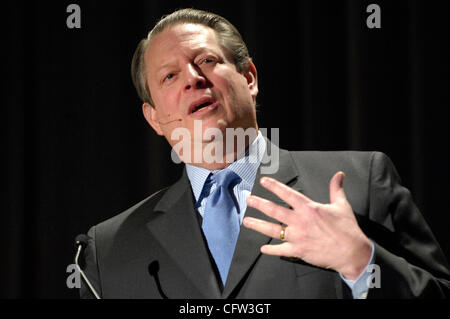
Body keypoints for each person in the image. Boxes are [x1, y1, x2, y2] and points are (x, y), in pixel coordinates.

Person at [80, 8, 450, 299]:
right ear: (154, 118)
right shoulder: (110, 247)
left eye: (207, 60)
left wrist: (361, 261)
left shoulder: (359, 180)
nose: (193, 78)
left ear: (250, 78)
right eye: (169, 76)